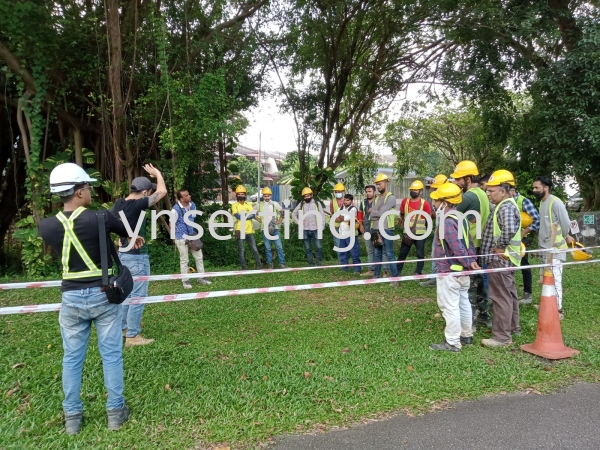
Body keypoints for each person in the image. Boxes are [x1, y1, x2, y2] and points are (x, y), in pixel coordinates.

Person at [40, 163, 143, 434]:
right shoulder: (100, 217)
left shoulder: (47, 226)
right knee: (110, 355)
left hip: (71, 299)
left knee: (71, 359)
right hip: (103, 296)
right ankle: (115, 412)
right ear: (77, 191)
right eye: (87, 187)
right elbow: (124, 234)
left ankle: (72, 418)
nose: (89, 191)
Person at [112, 164, 166, 347]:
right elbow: (162, 191)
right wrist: (158, 173)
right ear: (144, 192)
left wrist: (124, 236)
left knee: (126, 293)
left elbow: (108, 222)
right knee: (138, 296)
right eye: (149, 192)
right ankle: (133, 336)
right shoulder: (138, 204)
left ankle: (123, 328)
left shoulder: (119, 203)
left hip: (123, 255)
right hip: (137, 256)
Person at [429, 182, 479, 352]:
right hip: (462, 271)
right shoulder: (461, 218)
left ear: (445, 202)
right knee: (464, 302)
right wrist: (471, 261)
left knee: (449, 306)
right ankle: (466, 335)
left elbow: (456, 246)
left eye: (437, 201)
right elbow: (469, 243)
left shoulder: (446, 221)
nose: (434, 204)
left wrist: (466, 262)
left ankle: (452, 342)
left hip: (449, 271)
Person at [480, 170, 522, 347]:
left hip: (500, 258)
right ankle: (513, 327)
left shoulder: (505, 206)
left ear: (503, 191)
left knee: (500, 297)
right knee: (509, 294)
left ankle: (502, 337)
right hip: (508, 258)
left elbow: (510, 229)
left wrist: (500, 245)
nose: (488, 193)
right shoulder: (507, 204)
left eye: (491, 191)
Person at [451, 160, 491, 328]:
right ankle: (484, 315)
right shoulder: (483, 193)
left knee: (469, 286)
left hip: (469, 245)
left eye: (458, 179)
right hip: (480, 244)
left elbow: (452, 216)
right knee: (479, 281)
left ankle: (470, 322)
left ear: (467, 178)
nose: (455, 182)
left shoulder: (468, 196)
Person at [532, 176, 575, 319]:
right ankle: (546, 304)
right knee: (545, 277)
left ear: (546, 187)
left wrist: (567, 236)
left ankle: (558, 309)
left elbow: (566, 223)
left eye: (537, 187)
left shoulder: (555, 202)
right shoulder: (542, 203)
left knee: (555, 279)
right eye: (534, 188)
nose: (534, 190)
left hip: (555, 249)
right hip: (544, 247)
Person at [172, 189, 211, 289]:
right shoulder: (175, 209)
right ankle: (185, 281)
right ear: (181, 199)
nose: (189, 196)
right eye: (186, 195)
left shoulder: (192, 205)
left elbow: (192, 219)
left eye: (189, 194)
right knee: (184, 260)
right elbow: (171, 223)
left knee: (199, 257)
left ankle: (201, 278)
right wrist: (175, 238)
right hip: (181, 237)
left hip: (193, 236)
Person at [510, 187, 540, 304]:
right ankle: (509, 295)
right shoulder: (505, 201)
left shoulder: (523, 201)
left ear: (513, 189)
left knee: (523, 265)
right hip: (510, 239)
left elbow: (536, 220)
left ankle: (527, 294)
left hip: (522, 239)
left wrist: (523, 233)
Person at [369, 173, 400, 286]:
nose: (378, 186)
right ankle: (376, 276)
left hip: (387, 229)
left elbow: (380, 213)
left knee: (389, 254)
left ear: (386, 183)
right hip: (375, 229)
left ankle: (395, 279)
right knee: (377, 254)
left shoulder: (391, 198)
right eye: (377, 184)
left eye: (380, 184)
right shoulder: (376, 198)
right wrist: (374, 213)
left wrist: (373, 212)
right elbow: (372, 215)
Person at [397, 180, 431, 275]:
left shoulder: (425, 204)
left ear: (420, 191)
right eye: (412, 190)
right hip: (408, 231)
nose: (413, 192)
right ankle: (397, 272)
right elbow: (402, 214)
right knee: (402, 253)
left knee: (420, 254)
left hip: (420, 232)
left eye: (415, 190)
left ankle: (418, 272)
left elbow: (428, 219)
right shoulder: (405, 201)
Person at [420, 174, 447, 287]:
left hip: (444, 232)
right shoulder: (441, 201)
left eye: (437, 188)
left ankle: (436, 278)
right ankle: (434, 276)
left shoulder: (447, 202)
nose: (435, 191)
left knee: (438, 254)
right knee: (435, 253)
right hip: (439, 230)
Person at [359, 185, 389, 277]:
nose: (368, 193)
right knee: (370, 250)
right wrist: (360, 225)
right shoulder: (363, 202)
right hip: (367, 229)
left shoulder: (379, 200)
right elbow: (360, 214)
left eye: (370, 191)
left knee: (382, 250)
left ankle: (386, 270)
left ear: (374, 192)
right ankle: (371, 269)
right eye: (366, 191)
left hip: (377, 229)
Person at [231, 185, 262, 270]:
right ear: (237, 195)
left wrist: (245, 216)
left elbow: (252, 215)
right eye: (239, 193)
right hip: (239, 230)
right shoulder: (234, 205)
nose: (241, 195)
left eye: (242, 193)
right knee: (241, 251)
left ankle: (260, 266)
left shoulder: (249, 204)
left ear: (245, 195)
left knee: (254, 249)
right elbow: (237, 216)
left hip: (249, 231)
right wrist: (248, 215)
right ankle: (244, 267)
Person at [292, 187, 325, 266]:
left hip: (316, 229)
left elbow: (322, 216)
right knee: (307, 248)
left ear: (311, 195)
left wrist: (322, 227)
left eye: (308, 195)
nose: (307, 197)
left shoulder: (317, 204)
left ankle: (318, 263)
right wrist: (298, 222)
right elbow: (293, 213)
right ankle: (311, 263)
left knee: (319, 247)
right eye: (305, 196)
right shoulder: (301, 204)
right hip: (305, 229)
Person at [256, 186, 287, 269]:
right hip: (265, 229)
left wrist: (280, 220)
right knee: (268, 248)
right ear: (263, 196)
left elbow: (282, 212)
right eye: (265, 196)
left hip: (275, 229)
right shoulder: (259, 205)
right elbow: (252, 213)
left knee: (279, 247)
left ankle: (282, 263)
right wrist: (259, 219)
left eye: (268, 196)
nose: (266, 197)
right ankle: (270, 264)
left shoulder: (274, 204)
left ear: (271, 196)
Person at [338, 194, 361, 273]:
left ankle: (357, 269)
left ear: (351, 201)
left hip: (351, 234)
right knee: (343, 252)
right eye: (345, 200)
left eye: (347, 200)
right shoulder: (341, 208)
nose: (345, 201)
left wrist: (341, 217)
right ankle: (344, 268)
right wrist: (341, 218)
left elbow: (347, 218)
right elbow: (336, 218)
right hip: (341, 233)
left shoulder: (353, 209)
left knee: (354, 252)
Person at [330, 182, 346, 265]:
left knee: (346, 244)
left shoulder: (347, 200)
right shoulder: (332, 202)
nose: (337, 193)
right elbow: (332, 213)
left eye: (339, 192)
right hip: (336, 226)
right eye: (336, 192)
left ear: (343, 191)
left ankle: (346, 261)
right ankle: (341, 262)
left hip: (346, 226)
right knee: (337, 244)